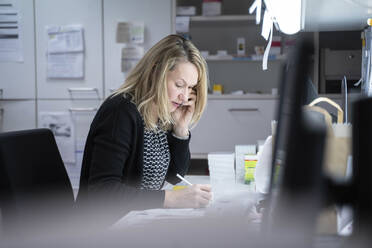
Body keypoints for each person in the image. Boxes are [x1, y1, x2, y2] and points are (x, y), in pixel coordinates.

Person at [77, 35, 212, 222]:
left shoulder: (162, 112)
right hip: (103, 228)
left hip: (135, 220)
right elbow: (103, 192)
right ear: (156, 72)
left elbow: (174, 176)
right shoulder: (121, 112)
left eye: (190, 88)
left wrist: (181, 129)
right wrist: (171, 198)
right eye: (179, 85)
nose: (184, 97)